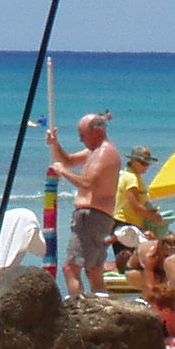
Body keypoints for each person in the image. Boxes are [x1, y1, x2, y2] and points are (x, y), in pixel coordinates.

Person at [45, 111, 122, 298]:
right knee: (94, 270)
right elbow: (69, 160)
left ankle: (77, 307)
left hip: (91, 217)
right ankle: (101, 306)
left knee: (70, 268)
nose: (81, 140)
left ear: (97, 131)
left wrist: (62, 171)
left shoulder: (104, 153)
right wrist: (55, 144)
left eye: (83, 136)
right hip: (99, 217)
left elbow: (87, 183)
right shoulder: (94, 151)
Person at [114, 146, 159, 230]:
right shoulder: (132, 178)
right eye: (143, 163)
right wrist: (155, 217)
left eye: (147, 163)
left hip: (122, 222)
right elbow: (136, 207)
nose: (146, 167)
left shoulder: (127, 174)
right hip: (126, 223)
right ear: (133, 161)